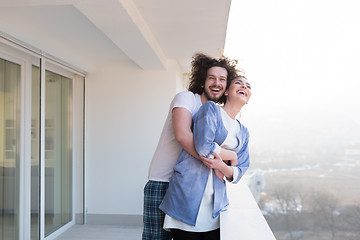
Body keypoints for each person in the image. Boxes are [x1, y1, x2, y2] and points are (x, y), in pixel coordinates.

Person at [142, 53, 238, 240]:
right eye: (212, 78)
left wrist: (223, 162)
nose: (217, 83)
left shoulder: (215, 114)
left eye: (222, 79)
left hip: (188, 187)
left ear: (226, 86)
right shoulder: (186, 98)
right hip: (163, 181)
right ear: (202, 82)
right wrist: (215, 160)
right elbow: (183, 136)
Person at [159, 75, 252, 240]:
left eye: (248, 86)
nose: (244, 86)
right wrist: (230, 155)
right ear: (226, 92)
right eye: (238, 83)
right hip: (186, 199)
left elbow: (240, 170)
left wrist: (221, 166)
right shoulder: (211, 110)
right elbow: (203, 146)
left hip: (215, 208)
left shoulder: (243, 132)